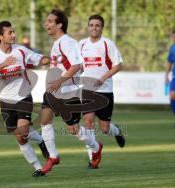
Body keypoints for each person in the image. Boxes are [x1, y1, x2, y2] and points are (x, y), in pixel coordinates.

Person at [0, 21, 50, 177]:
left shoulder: (20, 50)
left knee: (23, 130)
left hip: (23, 97)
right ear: (0, 37)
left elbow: (39, 59)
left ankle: (41, 144)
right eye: (10, 33)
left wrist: (52, 58)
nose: (13, 35)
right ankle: (38, 167)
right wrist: (3, 65)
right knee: (20, 138)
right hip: (6, 101)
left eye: (13, 32)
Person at [40, 9, 98, 174]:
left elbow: (76, 66)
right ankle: (53, 156)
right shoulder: (57, 42)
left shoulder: (67, 42)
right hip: (53, 91)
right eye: (47, 21)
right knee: (45, 121)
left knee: (74, 130)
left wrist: (59, 80)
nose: (47, 24)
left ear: (59, 25)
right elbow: (62, 64)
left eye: (50, 21)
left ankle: (95, 146)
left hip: (68, 92)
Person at [79, 14, 125, 168]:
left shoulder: (107, 44)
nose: (94, 28)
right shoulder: (81, 44)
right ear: (88, 27)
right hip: (87, 89)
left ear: (102, 28)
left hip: (105, 91)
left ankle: (116, 131)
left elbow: (118, 65)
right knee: (88, 122)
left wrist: (104, 78)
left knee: (105, 128)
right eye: (91, 25)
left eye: (97, 25)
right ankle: (93, 159)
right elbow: (77, 64)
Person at [165, 30, 175, 115]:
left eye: (174, 36)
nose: (173, 38)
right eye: (172, 36)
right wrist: (166, 76)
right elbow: (169, 62)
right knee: (172, 95)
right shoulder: (172, 48)